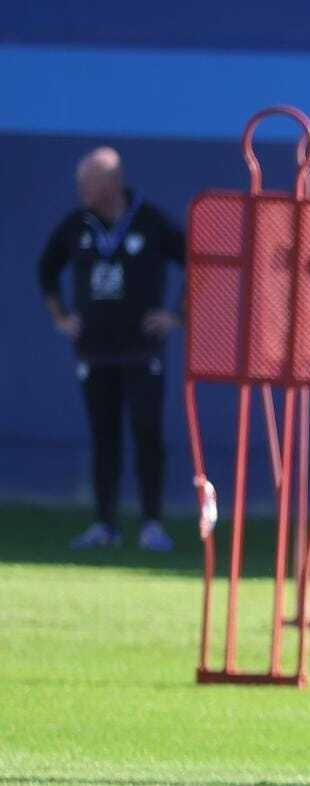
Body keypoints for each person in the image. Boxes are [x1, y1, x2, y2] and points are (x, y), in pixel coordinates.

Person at [37, 147, 186, 550]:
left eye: (88, 181)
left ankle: (152, 523)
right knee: (103, 436)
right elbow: (46, 269)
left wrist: (176, 316)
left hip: (142, 350)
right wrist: (62, 318)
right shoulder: (76, 225)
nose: (80, 189)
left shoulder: (150, 221)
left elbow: (197, 260)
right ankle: (105, 524)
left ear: (111, 182)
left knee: (146, 431)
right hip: (95, 351)